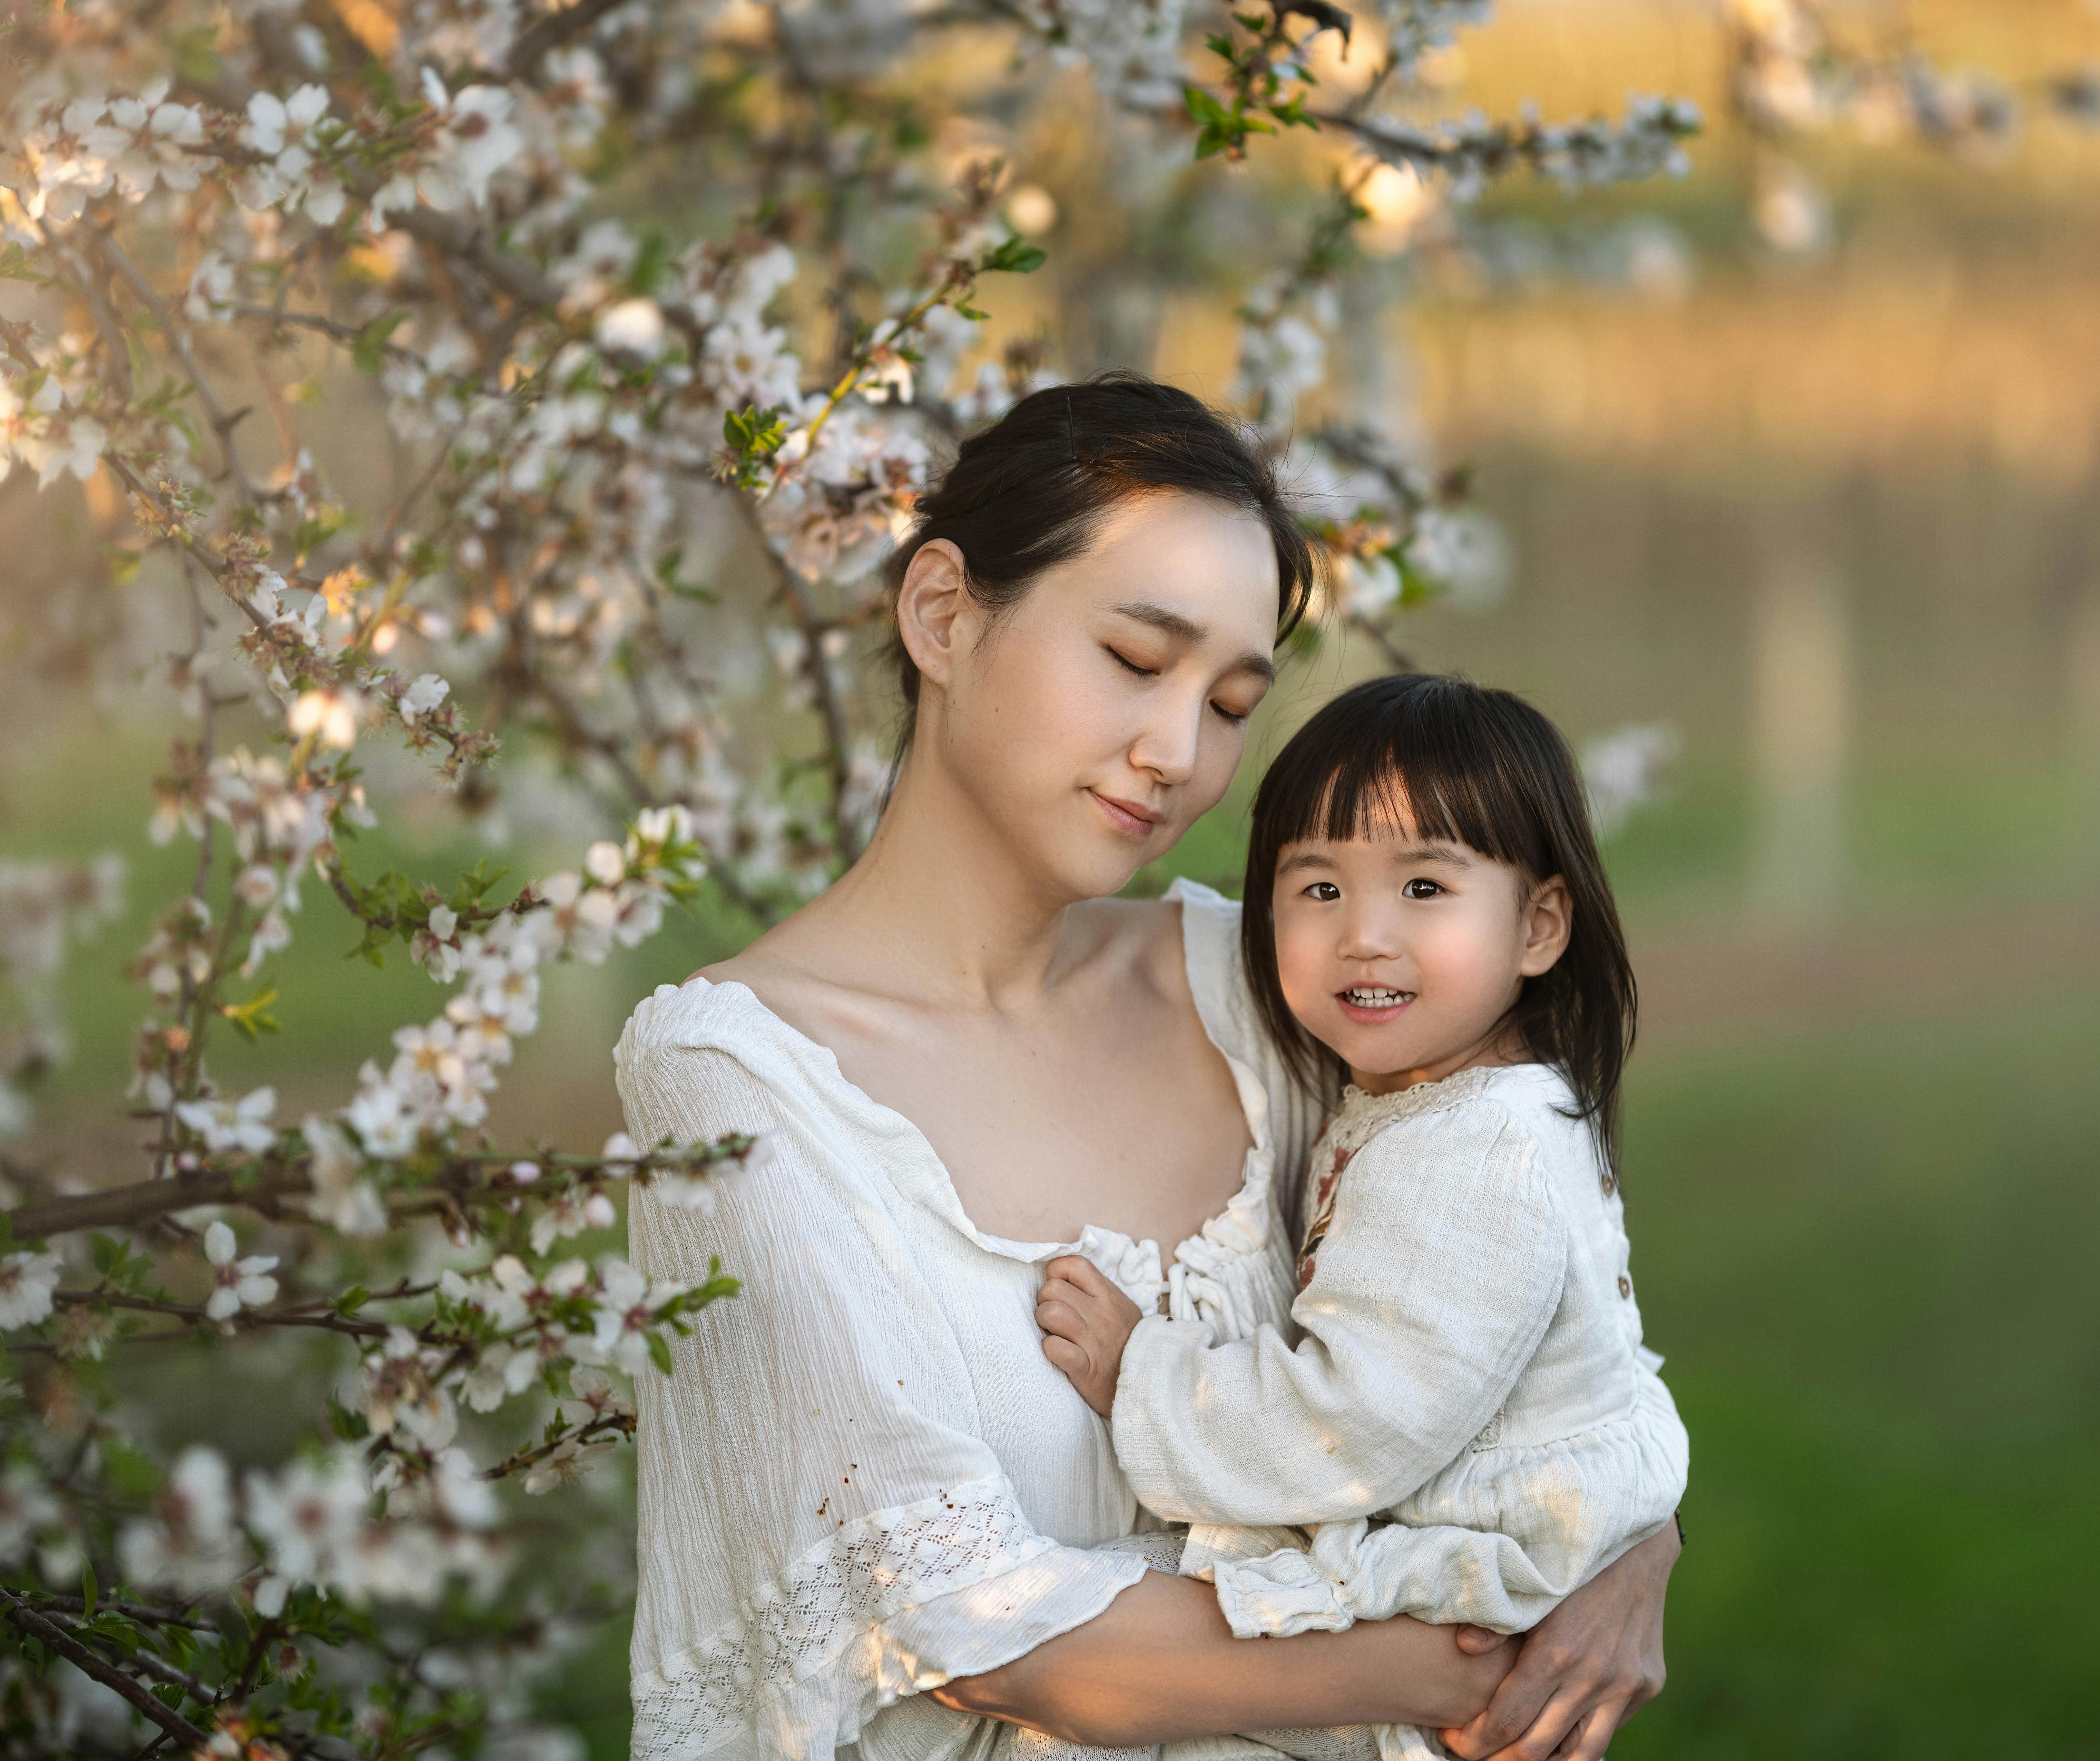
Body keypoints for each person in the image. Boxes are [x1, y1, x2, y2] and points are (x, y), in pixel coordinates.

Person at [613, 374, 1678, 1761]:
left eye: (1229, 703)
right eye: (1133, 658)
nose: (1178, 754)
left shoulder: (1261, 989)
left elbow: (1524, 1305)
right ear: (941, 615)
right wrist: (1465, 1662)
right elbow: (993, 1635)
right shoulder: (734, 1081)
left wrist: (1628, 1543)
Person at [1033, 675, 1689, 1761]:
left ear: (1539, 926)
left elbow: (1349, 1428)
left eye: (1425, 887)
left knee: (1101, 1664)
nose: (1365, 937)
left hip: (1483, 1589)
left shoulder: (1470, 1150)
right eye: (1319, 888)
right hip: (1515, 1553)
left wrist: (1141, 1373)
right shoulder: (1471, 1102)